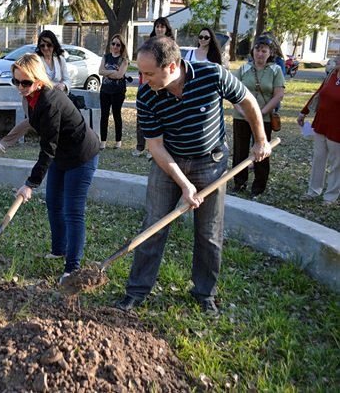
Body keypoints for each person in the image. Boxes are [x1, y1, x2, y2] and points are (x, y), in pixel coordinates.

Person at [116, 36, 271, 314]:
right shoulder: (146, 94)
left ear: (173, 66)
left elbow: (247, 101)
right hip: (169, 163)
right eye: (141, 72)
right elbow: (155, 146)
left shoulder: (212, 75)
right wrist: (185, 184)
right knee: (153, 225)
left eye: (149, 73)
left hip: (210, 162)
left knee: (209, 232)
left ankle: (204, 293)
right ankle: (137, 291)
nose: (144, 78)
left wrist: (260, 140)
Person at [12, 53, 100, 283]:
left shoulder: (50, 102)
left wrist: (30, 184)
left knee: (73, 211)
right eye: (16, 81)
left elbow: (47, 148)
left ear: (39, 80)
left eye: (25, 82)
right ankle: (59, 249)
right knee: (53, 202)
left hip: (81, 156)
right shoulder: (33, 98)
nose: (20, 87)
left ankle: (72, 267)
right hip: (62, 155)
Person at [0, 31, 71, 153]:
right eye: (42, 45)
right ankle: (4, 142)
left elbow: (67, 79)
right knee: (33, 120)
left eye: (49, 45)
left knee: (47, 122)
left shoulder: (60, 60)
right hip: (33, 95)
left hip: (55, 98)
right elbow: (33, 78)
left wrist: (63, 85)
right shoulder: (36, 60)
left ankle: (58, 146)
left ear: (54, 45)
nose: (46, 48)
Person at [232, 35, 284, 198]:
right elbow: (233, 92)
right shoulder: (243, 69)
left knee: (262, 150)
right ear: (252, 51)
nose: (260, 54)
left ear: (270, 53)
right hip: (241, 117)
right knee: (240, 150)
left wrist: (259, 113)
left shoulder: (275, 70)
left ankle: (258, 187)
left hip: (264, 117)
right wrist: (242, 111)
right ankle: (239, 183)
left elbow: (278, 95)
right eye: (257, 50)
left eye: (264, 51)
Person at [297, 55, 340, 205]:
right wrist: (304, 112)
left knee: (336, 163)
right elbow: (318, 93)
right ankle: (313, 191)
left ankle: (330, 196)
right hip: (321, 123)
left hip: (337, 128)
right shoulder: (332, 74)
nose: (337, 61)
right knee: (318, 157)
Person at [133, 17, 175, 158]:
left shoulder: (172, 45)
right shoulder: (148, 44)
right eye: (157, 26)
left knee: (161, 118)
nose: (159, 29)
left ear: (167, 29)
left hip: (164, 87)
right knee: (143, 118)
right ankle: (140, 146)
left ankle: (155, 150)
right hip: (145, 86)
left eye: (162, 26)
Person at [98, 34, 129, 150]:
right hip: (105, 90)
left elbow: (120, 75)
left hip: (118, 91)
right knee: (104, 115)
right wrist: (112, 72)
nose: (115, 46)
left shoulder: (124, 60)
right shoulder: (106, 57)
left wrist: (107, 71)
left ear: (121, 47)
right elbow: (100, 71)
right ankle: (103, 141)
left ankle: (118, 140)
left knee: (117, 114)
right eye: (113, 43)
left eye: (118, 44)